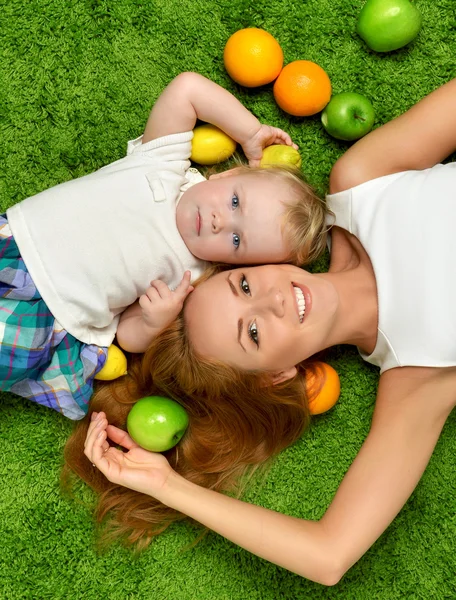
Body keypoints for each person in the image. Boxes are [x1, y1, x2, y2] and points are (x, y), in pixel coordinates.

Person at [79, 78, 456, 584]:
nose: (274, 300)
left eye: (245, 284)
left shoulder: (362, 182)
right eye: (252, 334)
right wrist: (168, 487)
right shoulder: (416, 377)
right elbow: (328, 556)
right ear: (277, 376)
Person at [0, 72, 326, 420]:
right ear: (228, 175)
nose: (220, 221)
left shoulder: (192, 277)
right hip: (17, 239)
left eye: (236, 240)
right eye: (234, 202)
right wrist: (251, 133)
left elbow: (126, 334)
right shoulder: (166, 165)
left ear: (236, 265)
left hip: (50, 311)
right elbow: (187, 89)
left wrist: (154, 323)